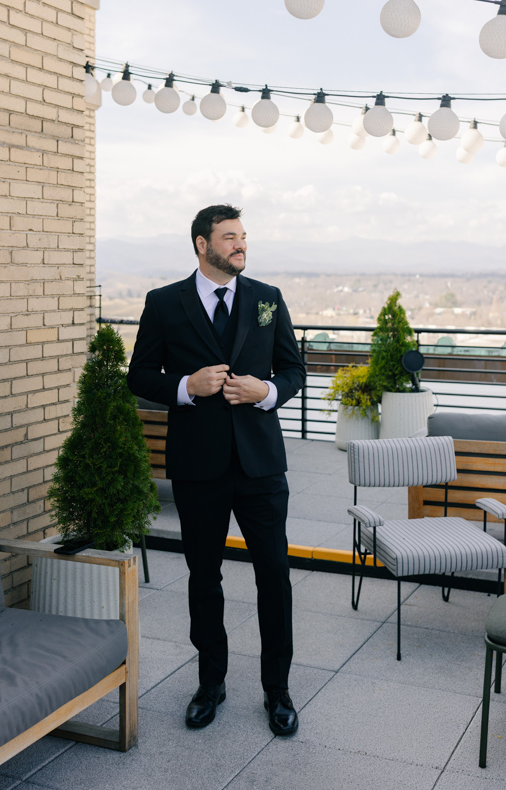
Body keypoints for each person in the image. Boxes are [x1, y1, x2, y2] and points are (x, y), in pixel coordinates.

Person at [127, 204, 305, 736]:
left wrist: (266, 391)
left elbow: (294, 368)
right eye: (230, 238)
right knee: (204, 577)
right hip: (198, 466)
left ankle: (278, 690)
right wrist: (186, 387)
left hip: (261, 467)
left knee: (274, 575)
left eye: (243, 237)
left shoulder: (267, 299)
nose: (240, 245)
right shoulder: (164, 303)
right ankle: (211, 684)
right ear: (202, 245)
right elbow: (139, 375)